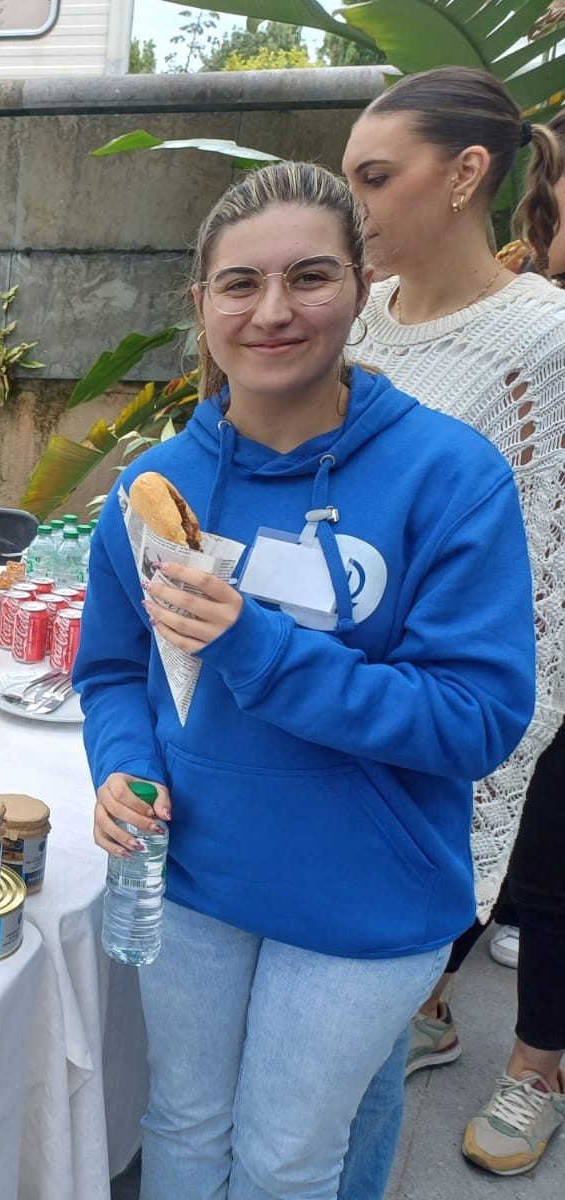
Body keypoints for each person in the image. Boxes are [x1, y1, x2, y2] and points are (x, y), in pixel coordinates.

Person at [73, 161, 536, 1198]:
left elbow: (476, 719)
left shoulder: (448, 477)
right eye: (239, 285)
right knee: (182, 1126)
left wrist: (259, 647)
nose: (272, 311)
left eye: (309, 278)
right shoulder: (153, 489)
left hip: (365, 900)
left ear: (362, 285)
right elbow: (109, 669)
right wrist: (122, 767)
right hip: (190, 879)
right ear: (200, 306)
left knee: (287, 1160)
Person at [336, 65, 565, 1185]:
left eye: (376, 177)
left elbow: (543, 530)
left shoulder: (542, 339)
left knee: (544, 869)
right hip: (364, 670)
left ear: (467, 175)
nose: (357, 203)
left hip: (513, 662)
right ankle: (427, 1011)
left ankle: (538, 1066)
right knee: (404, 893)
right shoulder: (359, 315)